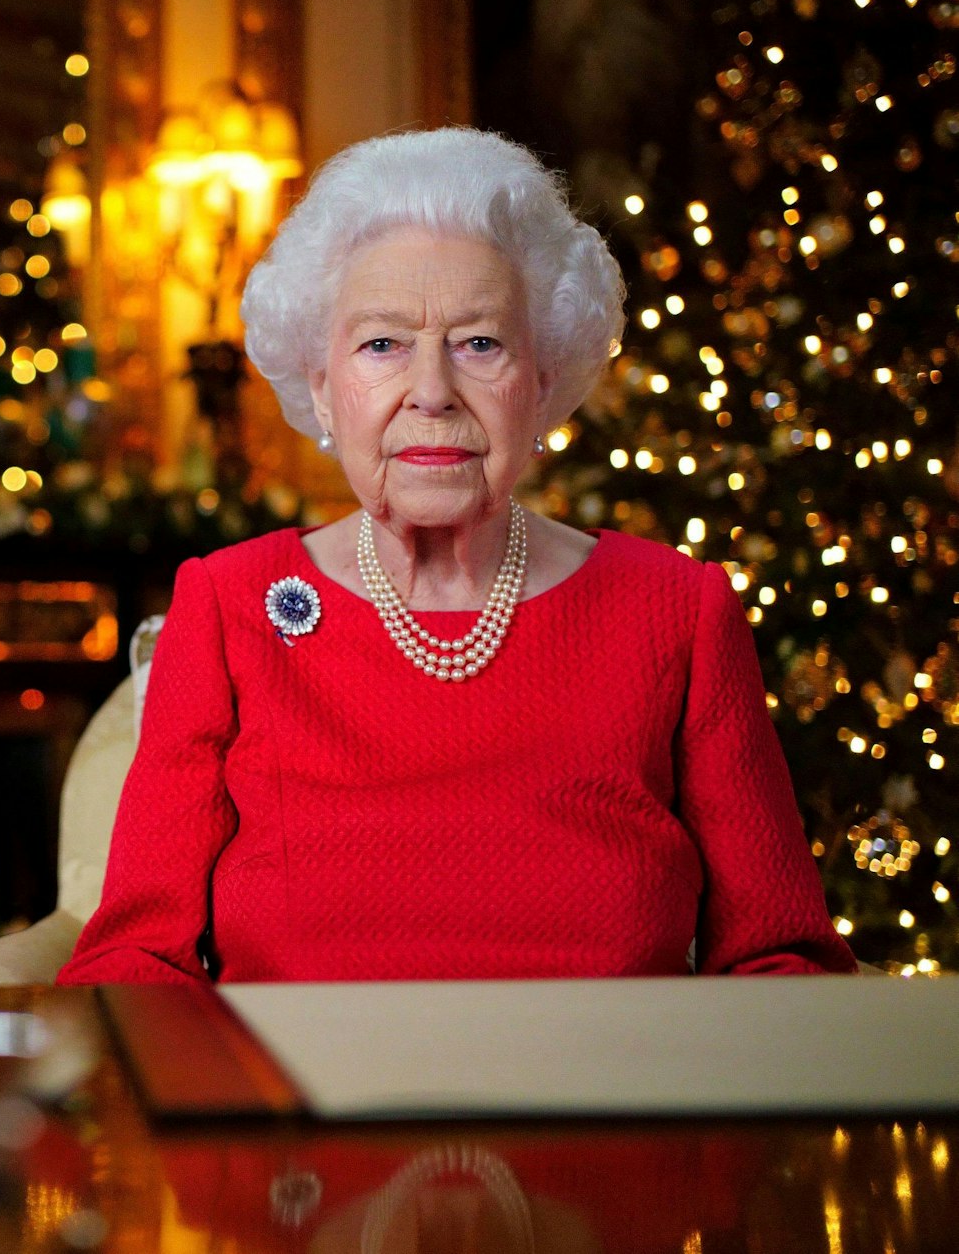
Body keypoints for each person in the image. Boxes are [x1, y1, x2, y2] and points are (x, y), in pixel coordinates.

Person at [59, 128, 856, 985]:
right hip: (302, 1075)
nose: (433, 392)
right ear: (322, 387)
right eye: (382, 345)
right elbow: (134, 960)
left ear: (541, 383)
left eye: (480, 344)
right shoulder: (229, 604)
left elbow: (781, 959)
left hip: (602, 1074)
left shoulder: (673, 610)